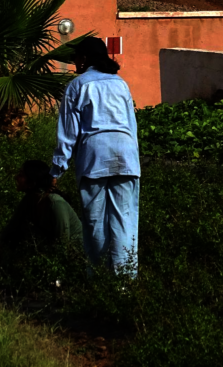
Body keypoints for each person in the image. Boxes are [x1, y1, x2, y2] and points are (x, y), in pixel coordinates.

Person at [52, 37, 140, 276]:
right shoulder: (121, 84)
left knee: (95, 222)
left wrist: (57, 169)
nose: (73, 61)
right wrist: (134, 161)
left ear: (86, 58)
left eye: (77, 56)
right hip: (126, 157)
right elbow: (132, 127)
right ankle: (124, 282)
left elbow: (68, 134)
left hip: (94, 158)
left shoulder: (78, 85)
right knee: (125, 222)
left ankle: (98, 277)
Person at [1, 159, 82, 249]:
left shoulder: (56, 203)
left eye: (21, 175)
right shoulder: (29, 200)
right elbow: (11, 228)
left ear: (32, 182)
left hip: (79, 254)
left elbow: (63, 244)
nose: (16, 177)